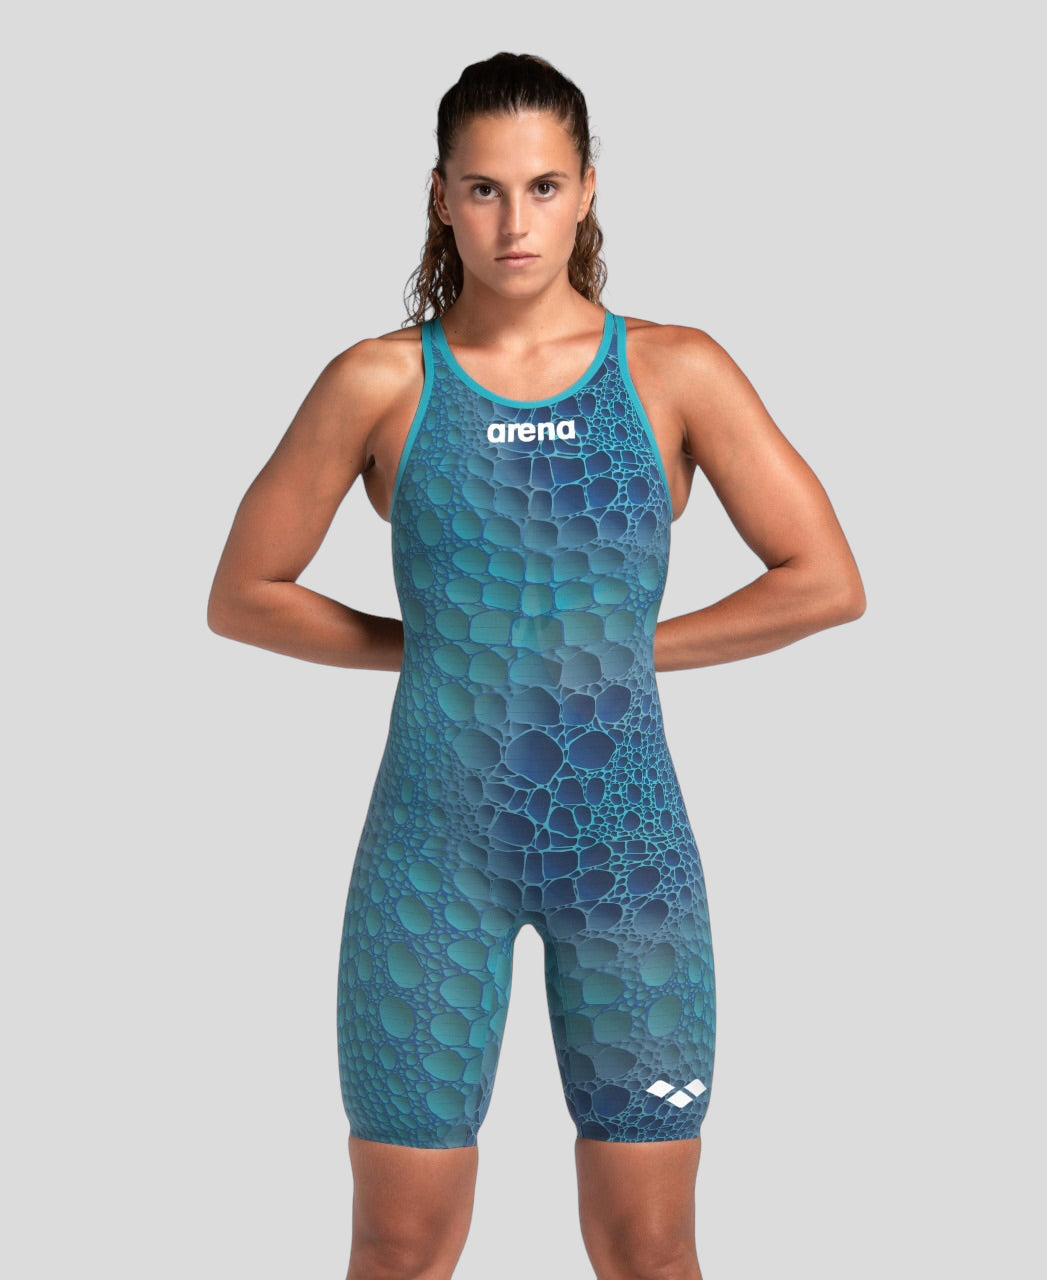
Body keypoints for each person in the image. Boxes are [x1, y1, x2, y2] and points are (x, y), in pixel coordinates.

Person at [208, 50, 865, 1280]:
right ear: (443, 195)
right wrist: (445, 651)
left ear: (588, 190)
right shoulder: (380, 379)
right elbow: (244, 593)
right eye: (486, 188)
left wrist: (616, 654)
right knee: (398, 1247)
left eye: (545, 186)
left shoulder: (673, 369)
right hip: (431, 855)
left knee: (650, 1249)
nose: (516, 221)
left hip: (626, 860)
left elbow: (824, 578)